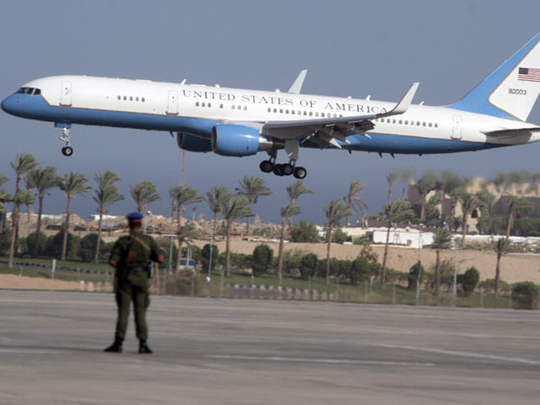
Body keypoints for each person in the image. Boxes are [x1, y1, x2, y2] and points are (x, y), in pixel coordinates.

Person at [104, 212, 164, 354]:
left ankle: (118, 343)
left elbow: (112, 261)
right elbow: (160, 259)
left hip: (126, 280)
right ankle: (143, 344)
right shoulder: (148, 240)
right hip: (142, 279)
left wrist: (123, 265)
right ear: (141, 224)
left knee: (123, 312)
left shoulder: (123, 241)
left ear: (129, 225)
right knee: (140, 312)